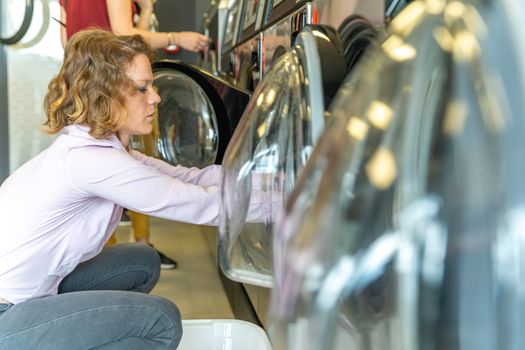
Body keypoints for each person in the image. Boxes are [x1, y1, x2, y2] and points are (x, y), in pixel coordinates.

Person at [0, 29, 270, 349]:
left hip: (31, 291)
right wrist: (293, 204)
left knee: (141, 261)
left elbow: (192, 178)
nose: (155, 97)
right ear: (105, 95)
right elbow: (198, 203)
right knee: (161, 322)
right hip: (7, 314)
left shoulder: (106, 148)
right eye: (142, 88)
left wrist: (276, 182)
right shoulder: (91, 162)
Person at [59, 0, 209, 269]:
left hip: (86, 90)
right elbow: (124, 38)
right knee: (135, 170)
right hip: (118, 91)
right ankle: (137, 246)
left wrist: (147, 10)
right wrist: (178, 38)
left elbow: (67, 44)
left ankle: (105, 258)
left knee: (103, 185)